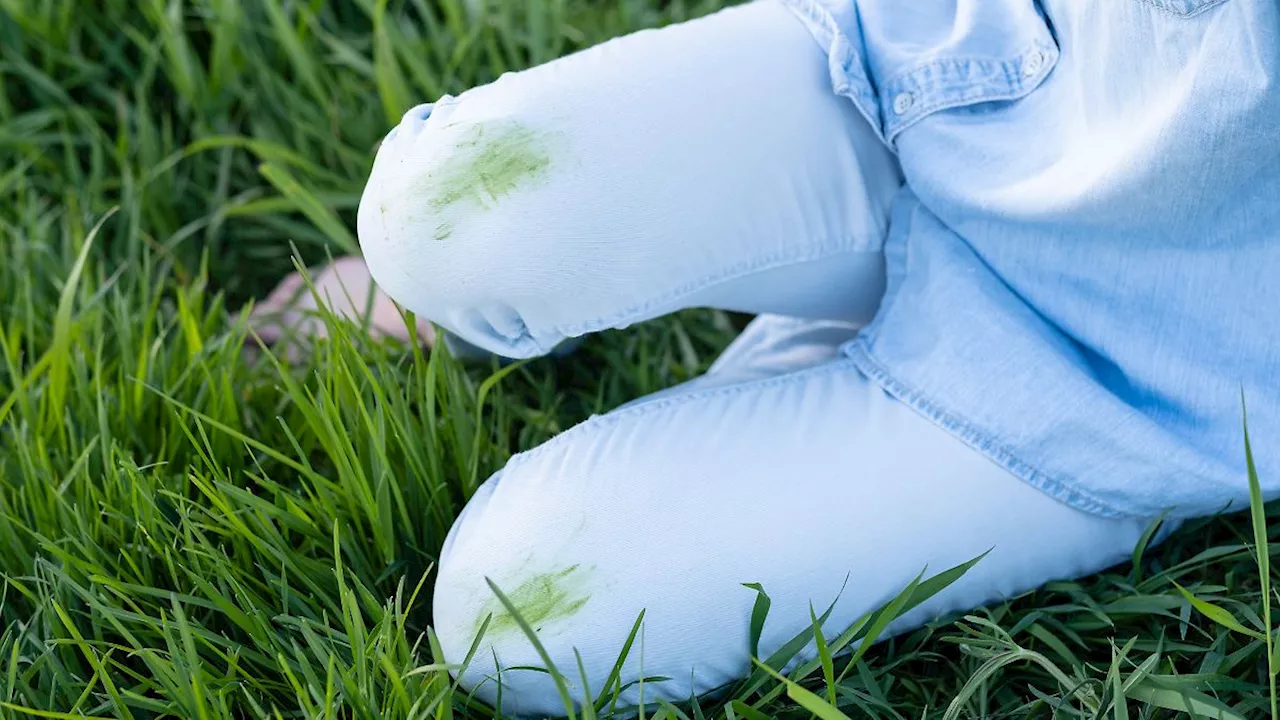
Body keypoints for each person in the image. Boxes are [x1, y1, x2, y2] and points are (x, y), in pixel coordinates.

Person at [254, 0, 1280, 715]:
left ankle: (862, 373)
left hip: (1136, 361)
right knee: (439, 209)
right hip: (966, 64)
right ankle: (502, 307)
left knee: (521, 619)